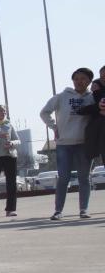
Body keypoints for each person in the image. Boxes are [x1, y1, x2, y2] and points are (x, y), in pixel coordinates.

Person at [40, 68, 97, 220]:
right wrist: (54, 127)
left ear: (89, 81)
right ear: (72, 80)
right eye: (76, 78)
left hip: (84, 144)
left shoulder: (92, 98)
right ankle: (58, 211)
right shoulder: (61, 97)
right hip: (64, 144)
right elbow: (44, 112)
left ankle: (83, 209)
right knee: (63, 178)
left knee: (84, 178)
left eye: (83, 78)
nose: (79, 81)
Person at [75, 65, 105, 167]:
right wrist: (99, 108)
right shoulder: (97, 87)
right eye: (102, 77)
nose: (103, 79)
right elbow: (84, 109)